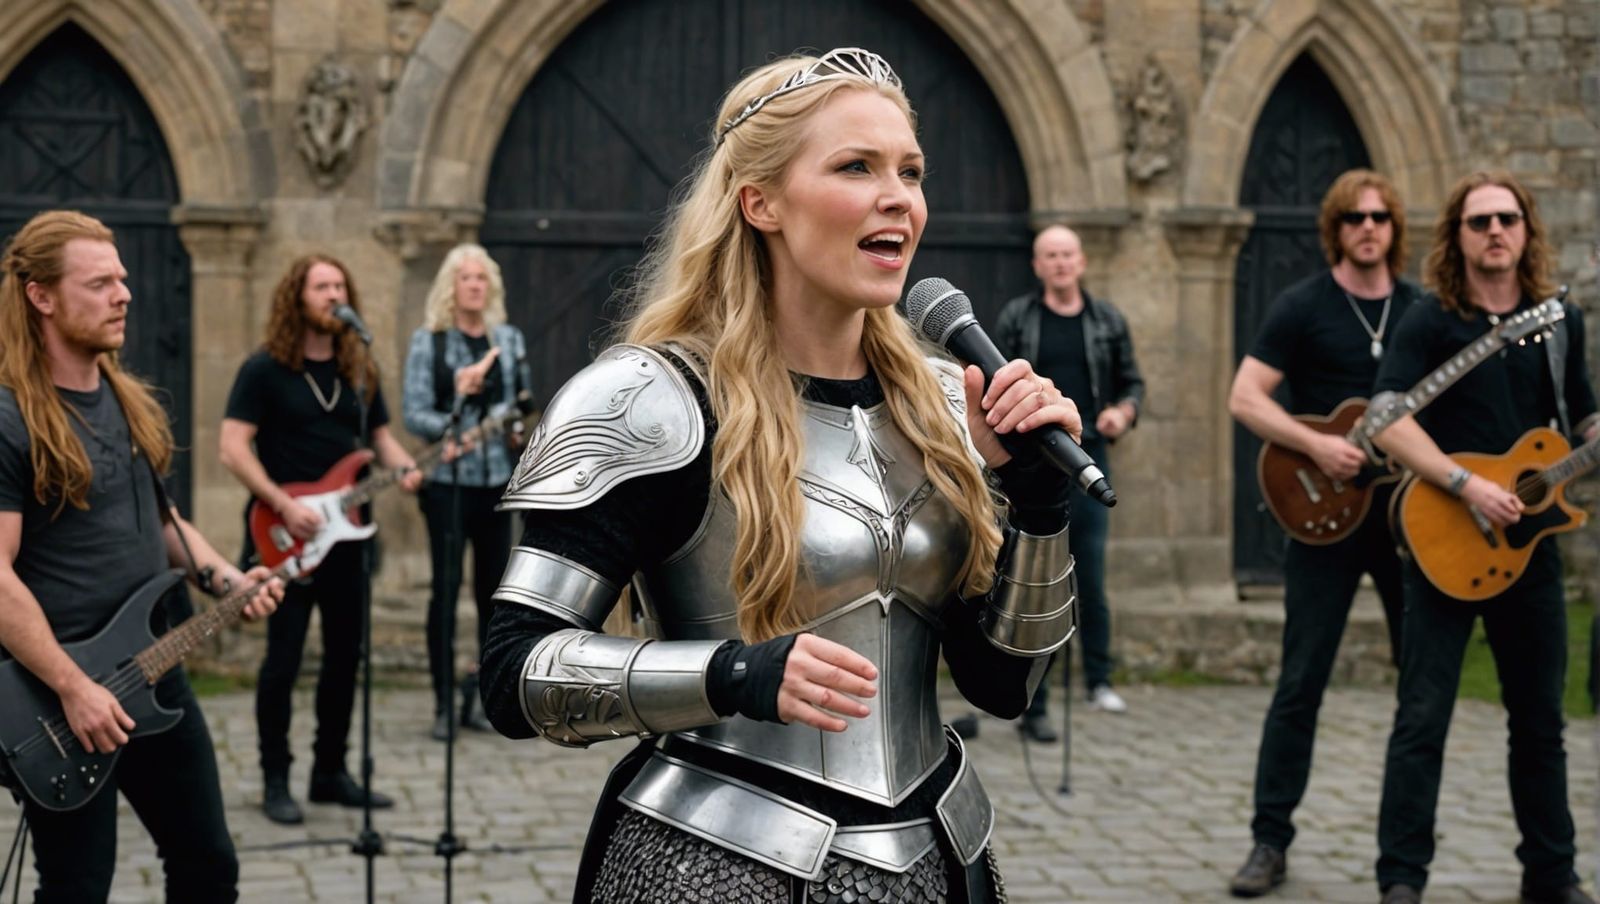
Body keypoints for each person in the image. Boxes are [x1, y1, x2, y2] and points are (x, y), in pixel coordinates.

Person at [478, 48, 1079, 902]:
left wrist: (1040, 503)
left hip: (938, 852)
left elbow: (1003, 684)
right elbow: (515, 672)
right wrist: (732, 675)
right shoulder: (649, 402)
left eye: (910, 171)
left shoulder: (947, 404)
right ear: (760, 202)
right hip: (712, 858)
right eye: (855, 167)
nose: (897, 197)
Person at [0, 210, 283, 901]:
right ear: (41, 295)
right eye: (99, 284)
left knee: (208, 866)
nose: (124, 294)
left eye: (123, 279)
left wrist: (224, 578)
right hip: (62, 697)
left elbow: (160, 520)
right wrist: (73, 687)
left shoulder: (127, 402)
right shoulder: (11, 418)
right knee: (77, 888)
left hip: (154, 674)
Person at [1368, 172, 1596, 904]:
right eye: (1478, 221)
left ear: (1526, 230)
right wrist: (1464, 484)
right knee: (1422, 720)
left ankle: (1551, 874)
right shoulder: (1431, 320)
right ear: (1457, 236)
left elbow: (1580, 417)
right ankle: (1402, 879)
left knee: (1540, 722)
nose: (1494, 230)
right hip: (1445, 542)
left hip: (1530, 549)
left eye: (1507, 218)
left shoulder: (1562, 323)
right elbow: (1386, 419)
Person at [1225, 168, 1420, 896]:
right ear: (1335, 228)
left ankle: (1403, 861)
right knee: (1300, 684)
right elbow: (1245, 397)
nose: (1368, 227)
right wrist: (1313, 446)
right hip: (1325, 520)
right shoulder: (1303, 306)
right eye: (1354, 218)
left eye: (1380, 217)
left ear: (1394, 226)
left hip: (1405, 524)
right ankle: (1268, 842)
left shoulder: (1421, 310)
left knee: (1421, 690)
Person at [219, 253, 421, 825]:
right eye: (322, 285)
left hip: (347, 537)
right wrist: (284, 503)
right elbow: (232, 448)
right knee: (282, 660)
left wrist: (410, 468)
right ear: (297, 297)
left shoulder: (360, 368)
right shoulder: (264, 370)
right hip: (283, 531)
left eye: (340, 284)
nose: (334, 294)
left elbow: (380, 440)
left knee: (345, 657)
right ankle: (274, 777)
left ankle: (329, 771)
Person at [995, 223, 1145, 734]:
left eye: (1067, 254)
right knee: (1037, 579)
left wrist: (1122, 414)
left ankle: (1098, 681)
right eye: (1050, 255)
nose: (1060, 263)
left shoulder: (1107, 320)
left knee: (1092, 579)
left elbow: (1132, 384)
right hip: (1033, 467)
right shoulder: (1019, 317)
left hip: (1090, 459)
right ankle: (1032, 702)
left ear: (1081, 262)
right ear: (1037, 266)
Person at [402, 243, 528, 740]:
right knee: (446, 591)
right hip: (448, 485)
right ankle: (440, 702)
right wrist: (460, 402)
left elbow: (522, 405)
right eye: (465, 277)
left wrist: (516, 429)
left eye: (481, 277)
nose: (474, 284)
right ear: (450, 288)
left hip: (497, 481)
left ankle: (481, 697)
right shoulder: (429, 343)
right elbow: (416, 414)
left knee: (494, 596)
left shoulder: (509, 340)